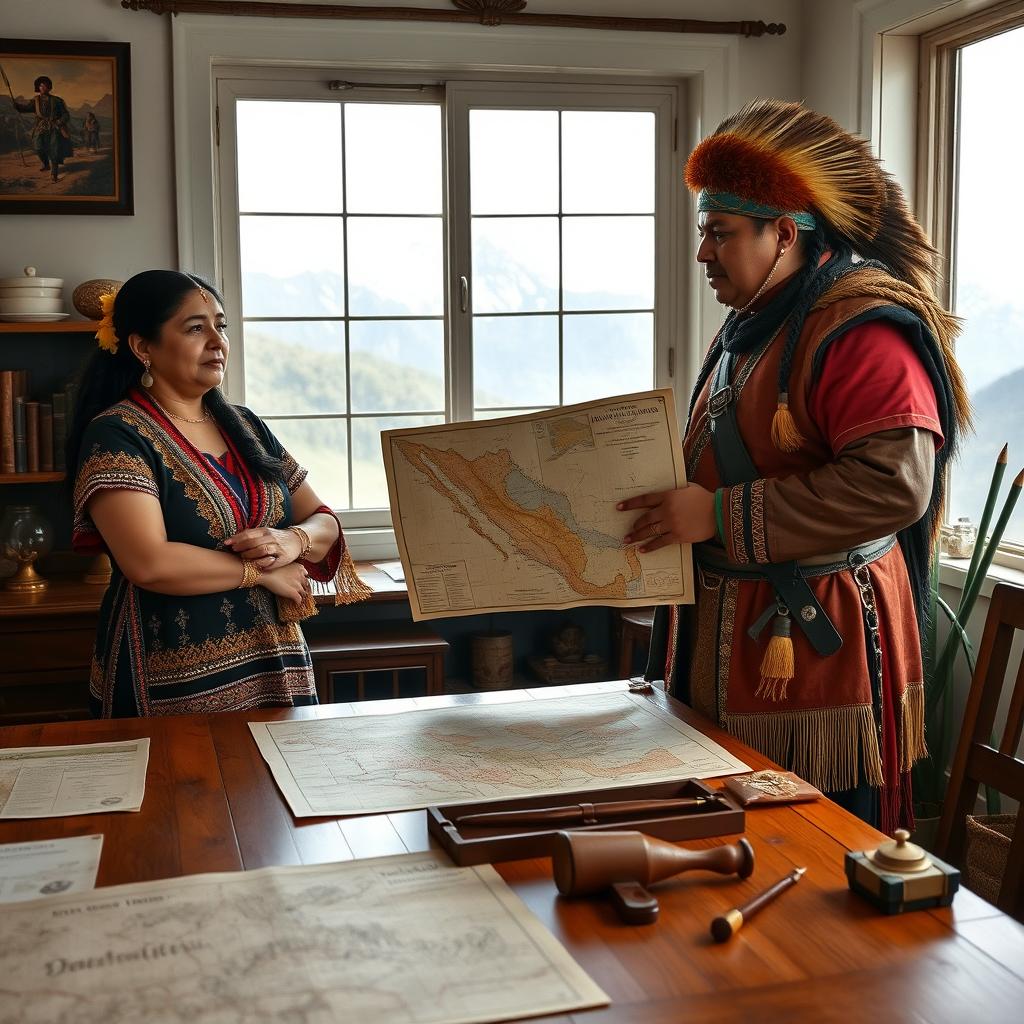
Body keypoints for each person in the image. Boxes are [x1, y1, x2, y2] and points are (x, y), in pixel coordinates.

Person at [619, 100, 970, 831]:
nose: (703, 254)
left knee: (819, 853)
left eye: (720, 233)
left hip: (815, 655)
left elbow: (894, 483)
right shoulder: (754, 322)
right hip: (723, 640)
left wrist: (715, 514)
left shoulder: (861, 331)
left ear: (783, 234)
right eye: (703, 232)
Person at [68, 270, 371, 717]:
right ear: (142, 347)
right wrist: (263, 574)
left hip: (276, 664)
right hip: (174, 675)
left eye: (221, 325)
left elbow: (323, 519)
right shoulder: (117, 433)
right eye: (195, 328)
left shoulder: (245, 425)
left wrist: (293, 540)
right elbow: (148, 562)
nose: (217, 340)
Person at [10, 75, 72, 182]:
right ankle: (46, 164)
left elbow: (66, 115)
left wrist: (59, 122)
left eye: (45, 86)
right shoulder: (35, 101)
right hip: (41, 127)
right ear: (38, 88)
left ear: (49, 87)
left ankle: (54, 174)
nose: (42, 88)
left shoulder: (57, 101)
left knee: (54, 150)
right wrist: (17, 106)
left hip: (54, 127)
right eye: (41, 86)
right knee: (38, 147)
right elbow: (25, 109)